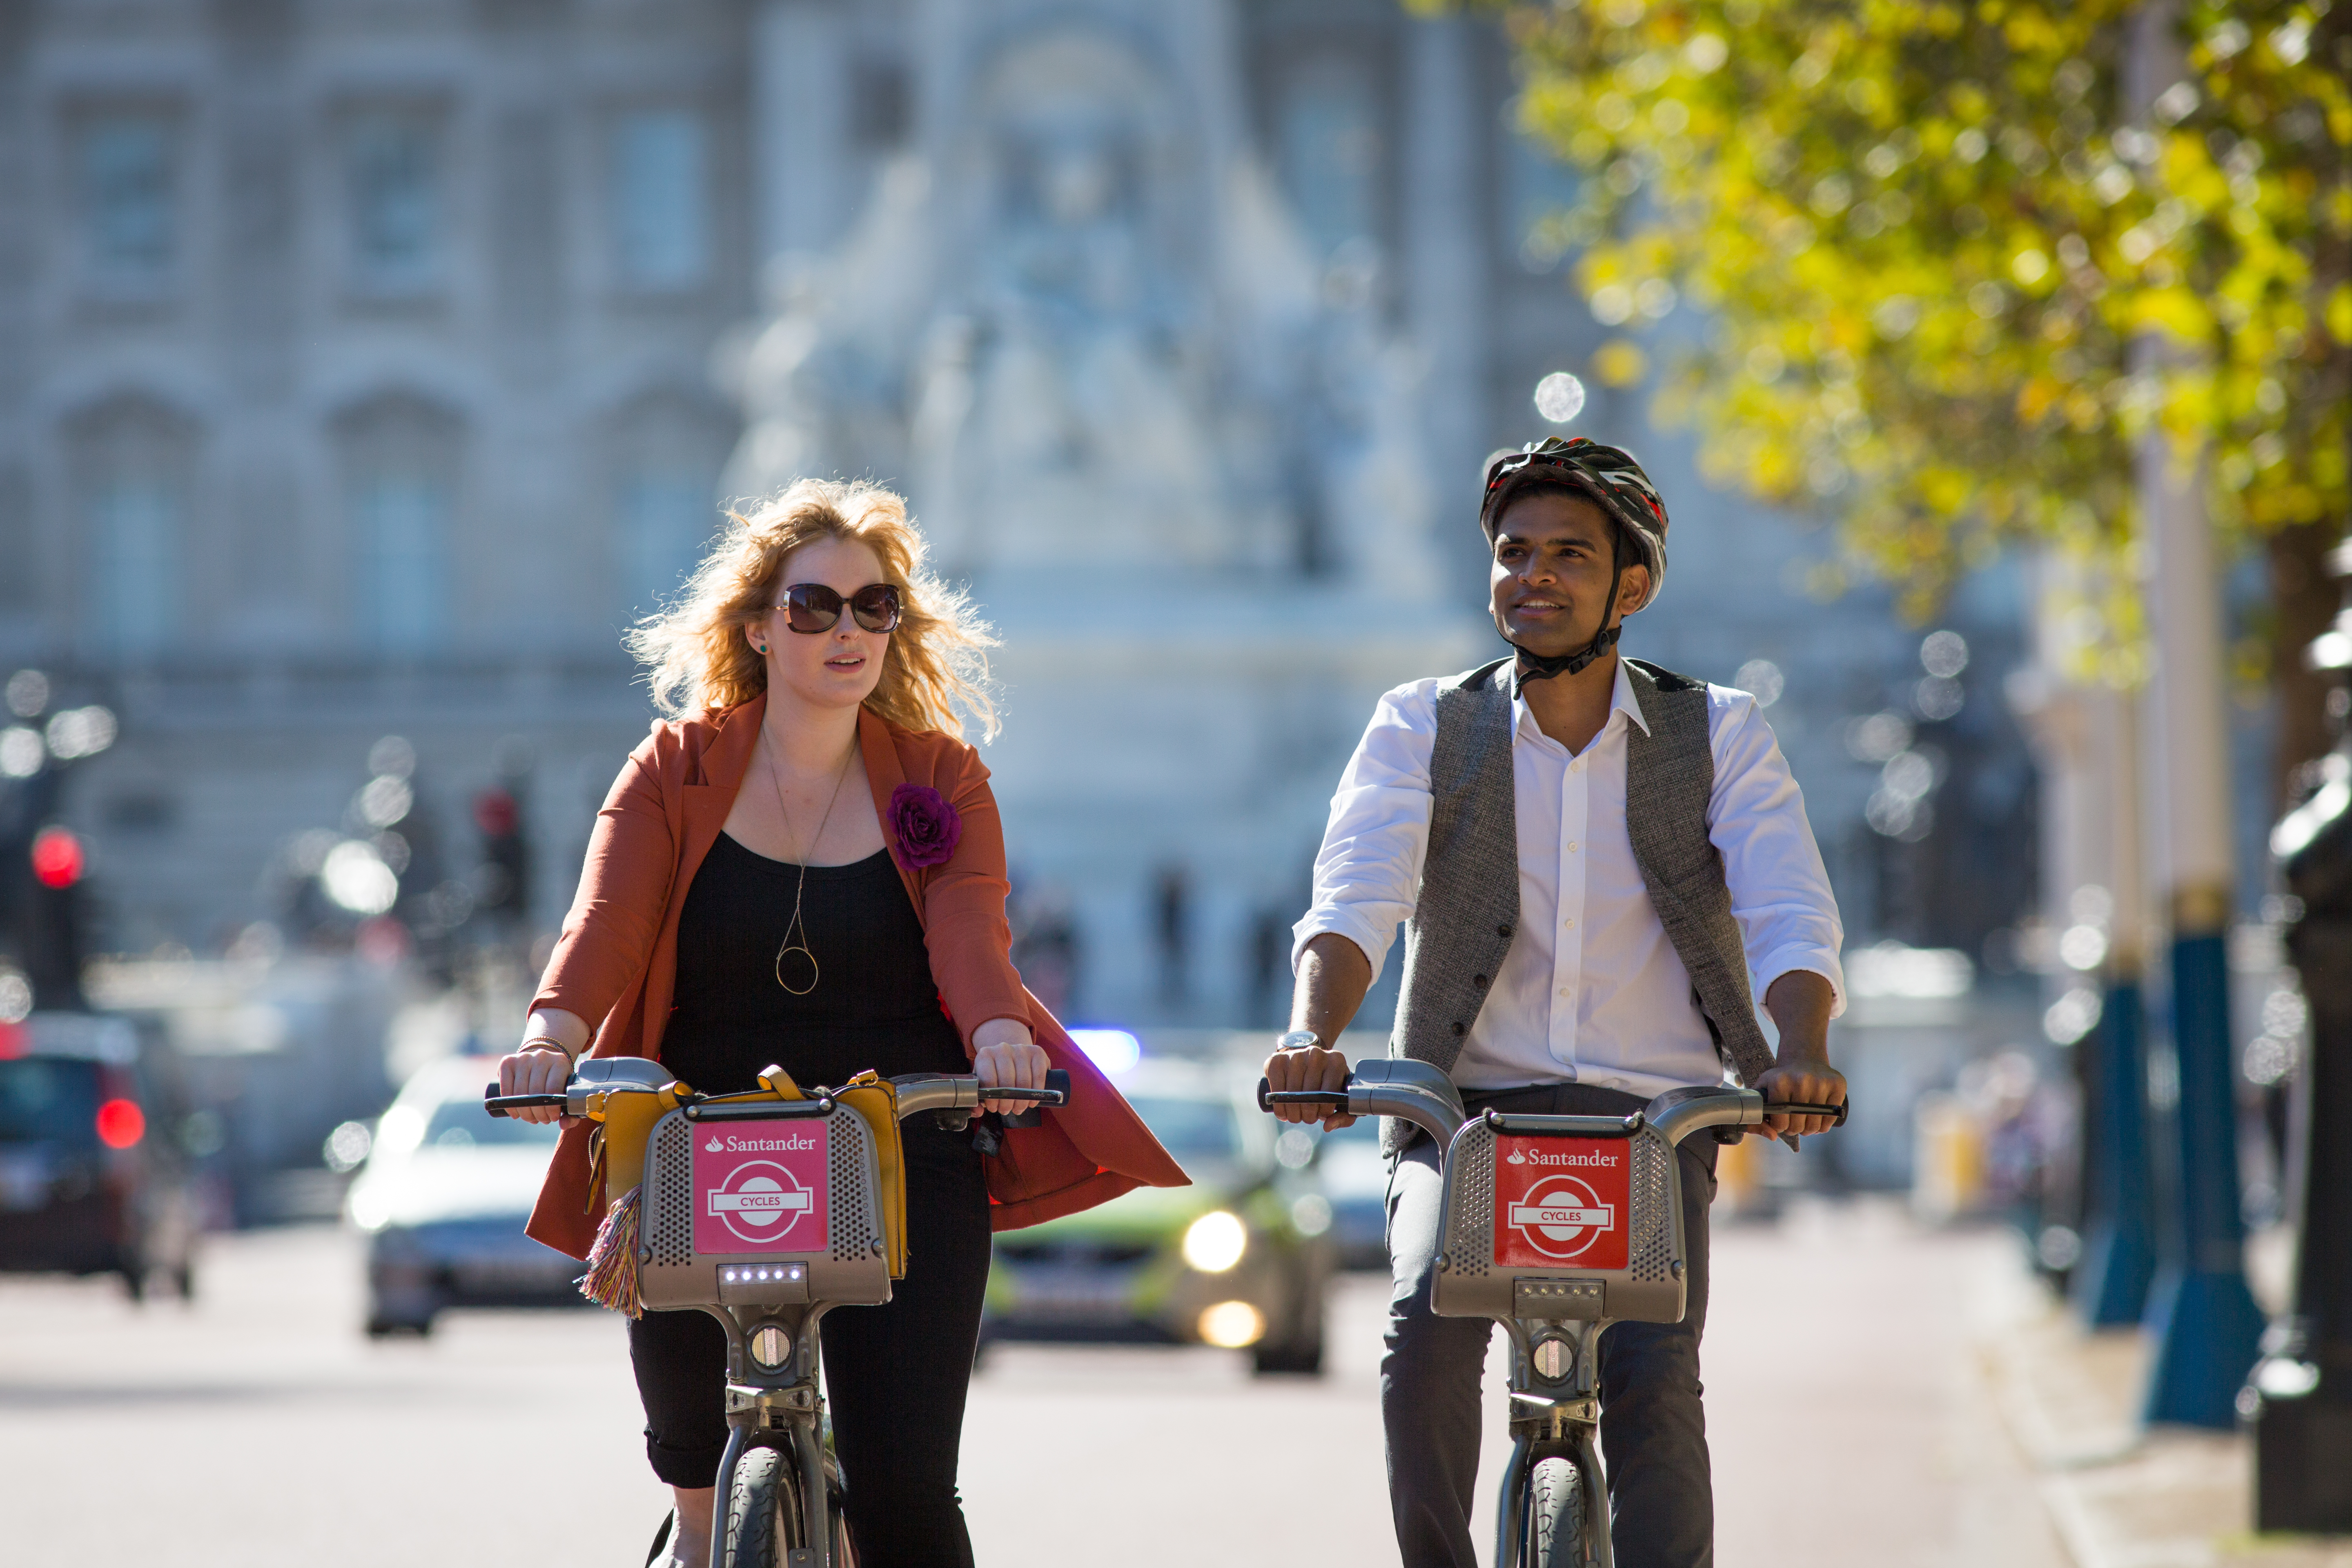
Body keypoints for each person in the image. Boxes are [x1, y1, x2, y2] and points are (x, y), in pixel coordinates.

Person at [497, 478, 1186, 1568]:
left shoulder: (941, 779)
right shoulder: (674, 770)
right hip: (695, 1140)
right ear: (760, 625)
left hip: (902, 1140)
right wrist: (552, 1037)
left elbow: (971, 932)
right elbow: (608, 923)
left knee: (906, 1499)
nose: (847, 631)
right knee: (690, 1460)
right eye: (815, 606)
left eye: (876, 608)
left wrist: (1000, 1034)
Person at [1262, 437, 1848, 1568]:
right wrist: (1310, 1038)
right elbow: (1357, 893)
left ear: (1632, 586)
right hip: (1463, 1110)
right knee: (1424, 1338)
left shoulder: (1717, 731)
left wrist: (1800, 1051)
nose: (1532, 575)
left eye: (1569, 555)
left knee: (1654, 1382)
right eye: (1512, 552)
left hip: (1655, 1117)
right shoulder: (1421, 724)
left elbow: (1789, 908)